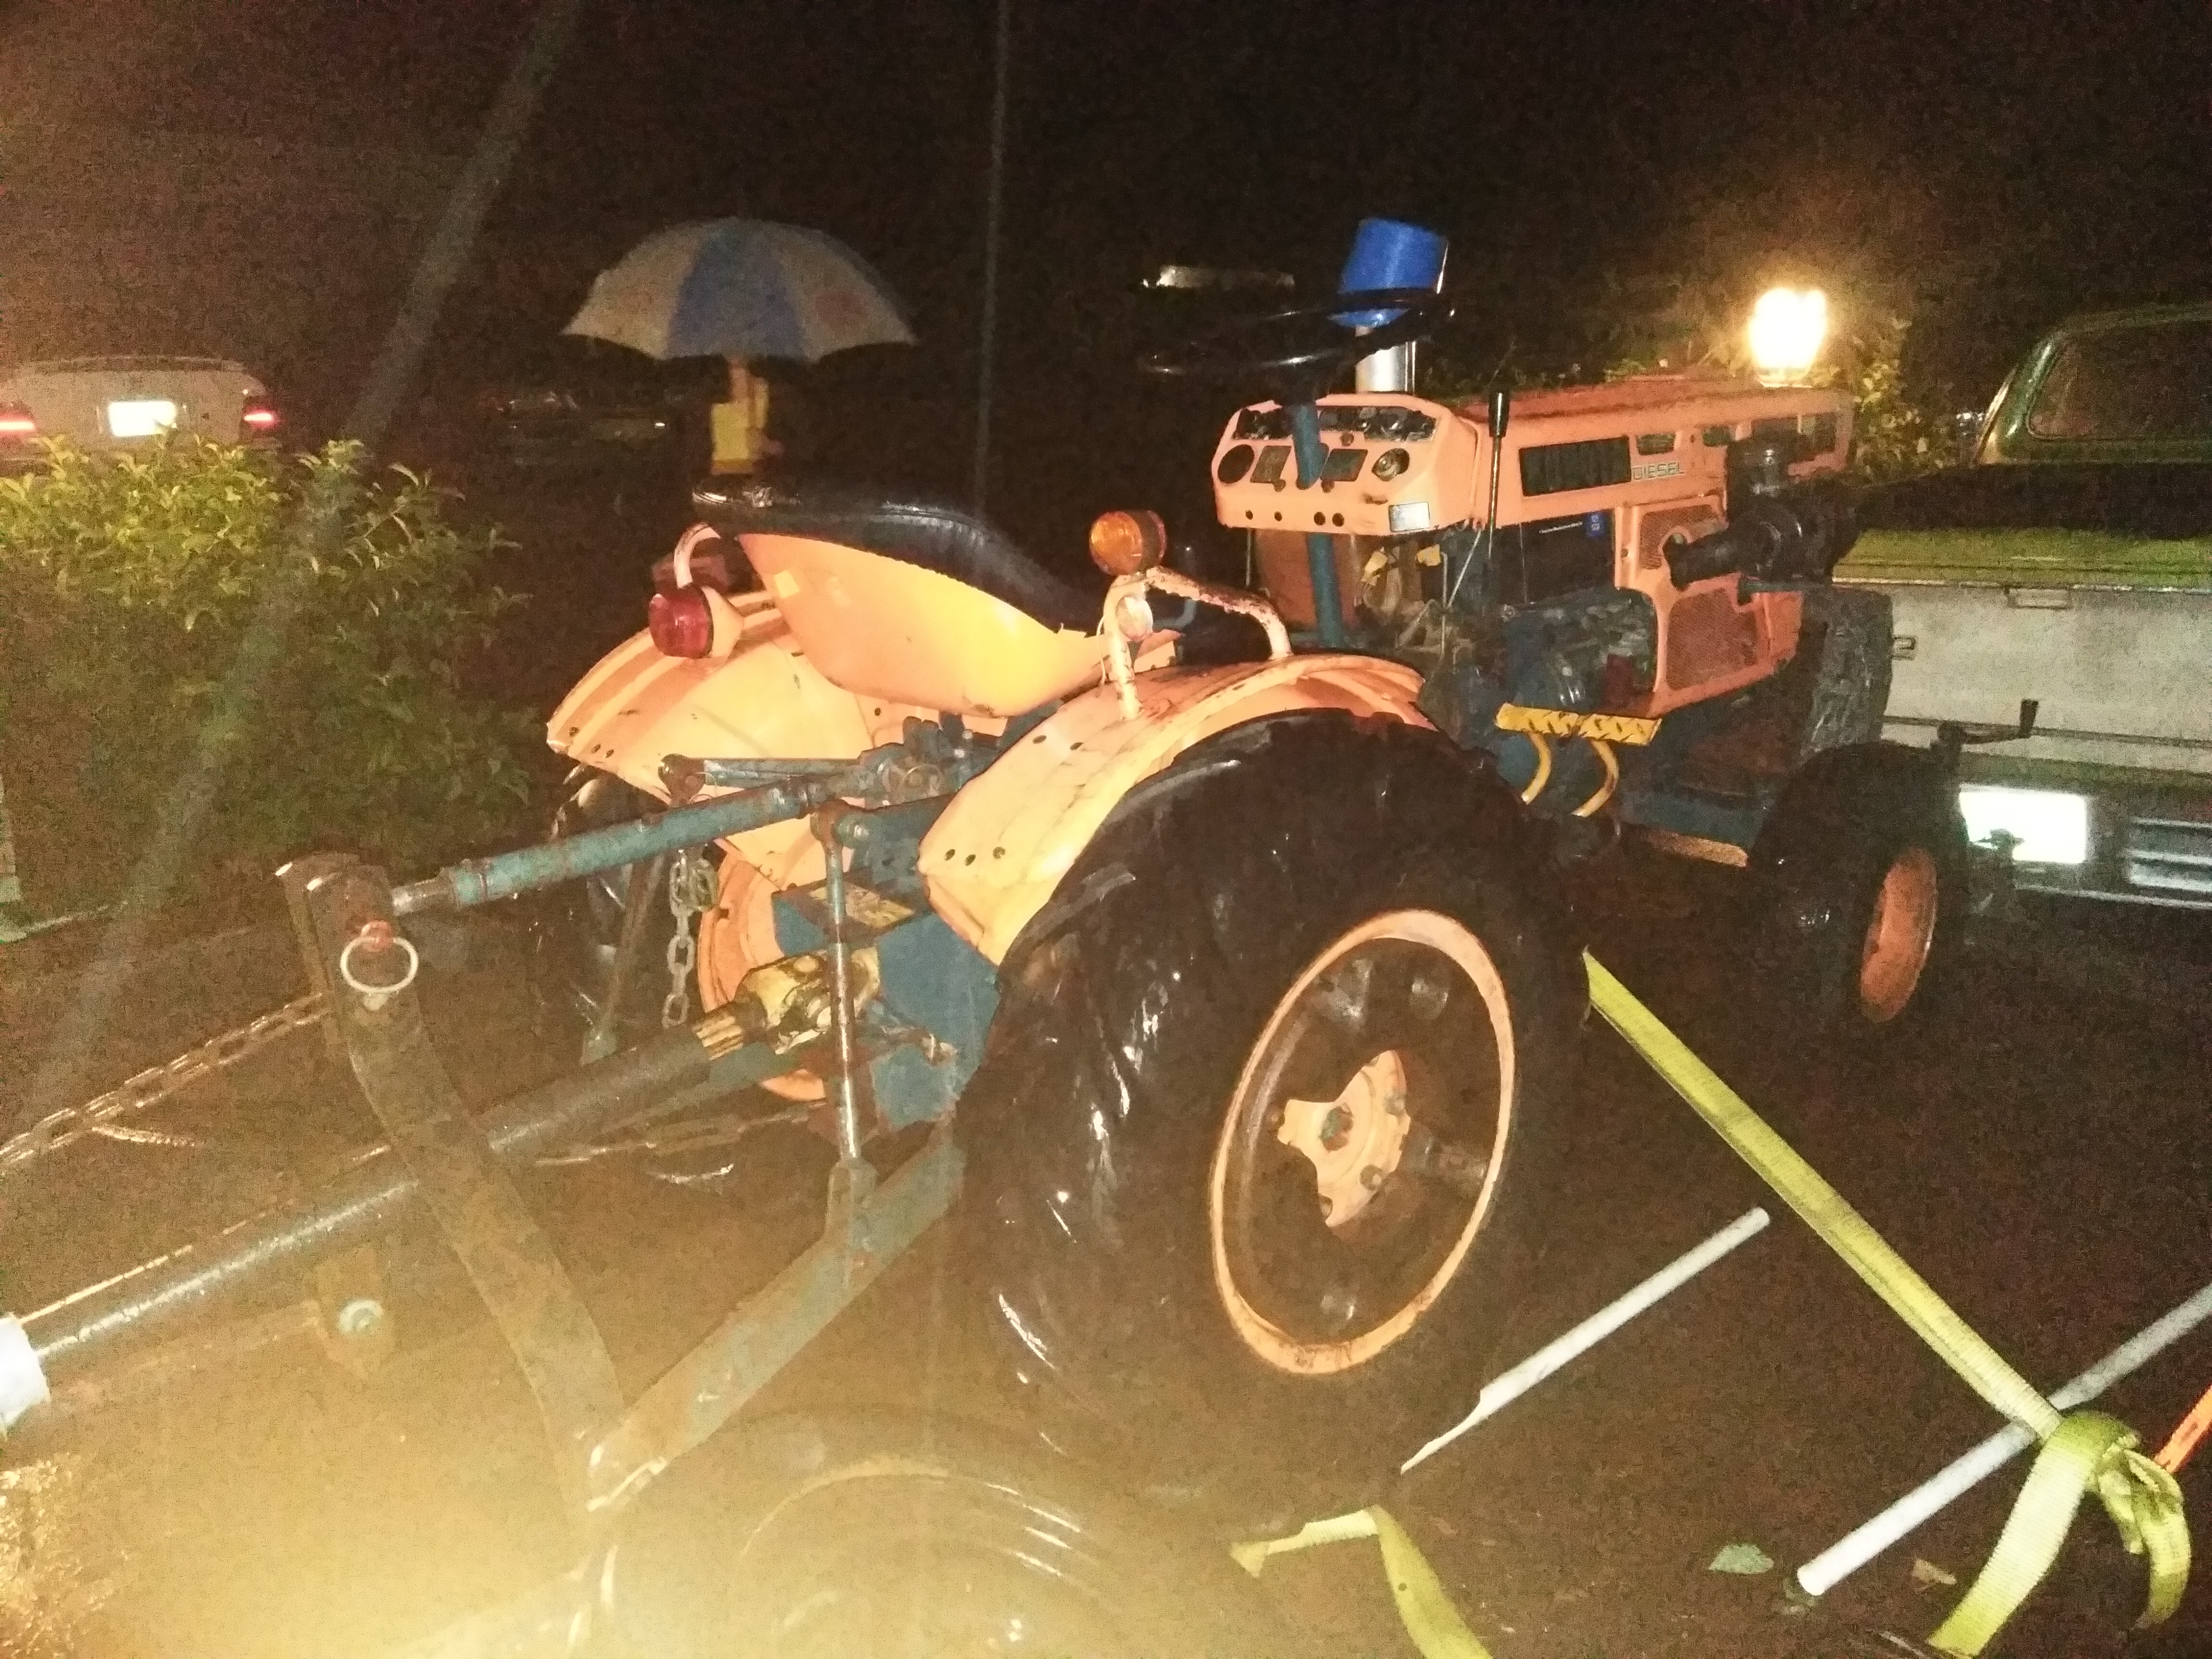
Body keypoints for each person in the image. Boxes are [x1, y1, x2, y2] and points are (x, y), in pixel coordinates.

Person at [709, 357, 781, 477]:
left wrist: (768, 445)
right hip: (716, 480)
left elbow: (798, 447)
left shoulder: (771, 389)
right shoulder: (706, 386)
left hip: (756, 479)